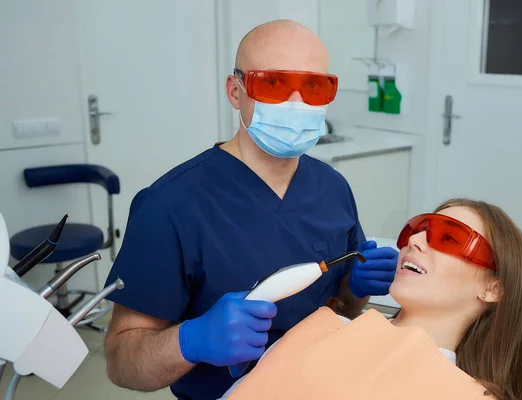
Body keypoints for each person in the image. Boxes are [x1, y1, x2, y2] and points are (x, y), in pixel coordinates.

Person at [101, 19, 398, 400]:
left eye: (313, 86)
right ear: (235, 91)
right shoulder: (169, 205)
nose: (297, 103)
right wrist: (189, 341)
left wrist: (356, 287)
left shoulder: (332, 186)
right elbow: (121, 362)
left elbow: (344, 307)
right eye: (273, 83)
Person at [222, 198, 522, 400]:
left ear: (494, 289)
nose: (414, 240)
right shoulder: (321, 327)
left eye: (450, 238)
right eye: (418, 229)